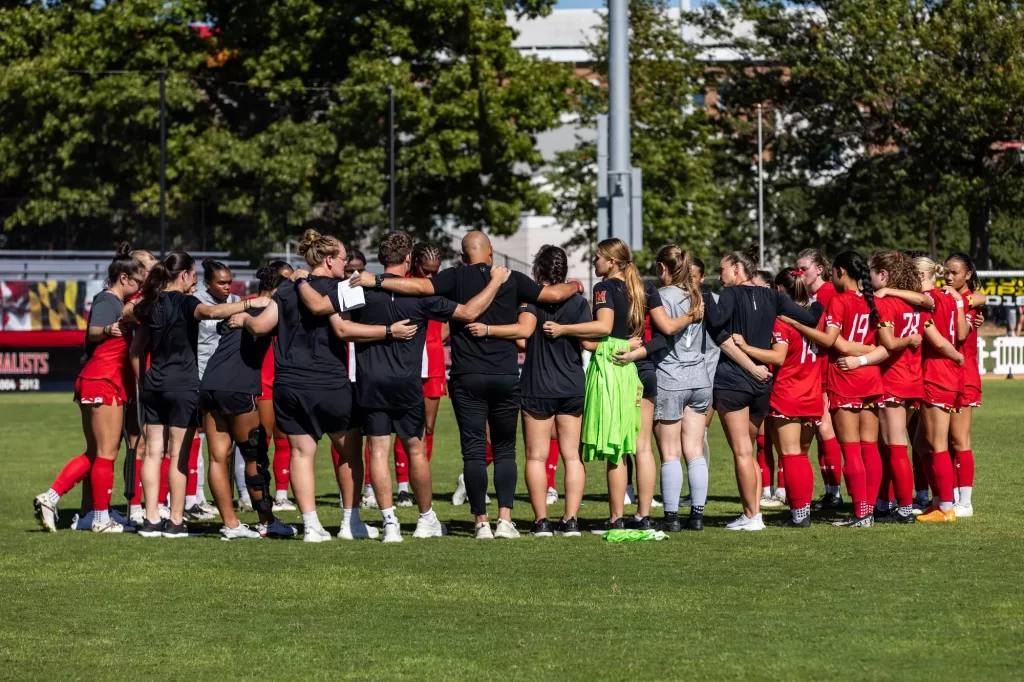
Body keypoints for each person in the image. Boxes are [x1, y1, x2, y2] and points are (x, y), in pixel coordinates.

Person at [350, 231, 579, 540]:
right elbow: (552, 295)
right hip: (505, 376)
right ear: (491, 252)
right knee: (505, 451)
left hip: (464, 376)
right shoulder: (512, 277)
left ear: (461, 256)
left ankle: (479, 523)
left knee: (472, 452)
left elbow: (419, 286)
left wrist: (375, 281)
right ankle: (505, 521)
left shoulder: (453, 276)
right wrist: (574, 285)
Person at [305, 233, 507, 541]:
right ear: (410, 259)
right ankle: (426, 519)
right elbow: (468, 313)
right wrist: (495, 282)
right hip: (408, 383)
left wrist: (299, 280)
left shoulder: (358, 288)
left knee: (376, 450)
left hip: (370, 382)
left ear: (380, 258)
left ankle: (390, 524)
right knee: (416, 450)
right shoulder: (420, 294)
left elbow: (328, 315)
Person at [241, 230, 414, 542]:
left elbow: (259, 326)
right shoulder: (342, 287)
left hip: (288, 384)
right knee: (349, 453)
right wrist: (389, 331)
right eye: (344, 259)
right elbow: (345, 329)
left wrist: (241, 317)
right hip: (329, 382)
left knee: (301, 454)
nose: (347, 265)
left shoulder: (286, 289)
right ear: (329, 260)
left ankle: (311, 526)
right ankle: (351, 523)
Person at [544, 238, 701, 533]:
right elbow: (666, 330)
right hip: (645, 370)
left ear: (612, 262)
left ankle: (616, 517)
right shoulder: (644, 287)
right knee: (643, 447)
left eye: (597, 258)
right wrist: (691, 315)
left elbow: (601, 330)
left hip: (620, 369)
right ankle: (642, 515)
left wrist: (565, 329)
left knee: (617, 448)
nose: (594, 262)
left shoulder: (603, 288)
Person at [129, 252, 267, 538]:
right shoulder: (186, 301)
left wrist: (144, 381)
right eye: (193, 275)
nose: (195, 281)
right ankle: (175, 522)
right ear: (183, 275)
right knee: (179, 455)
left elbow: (130, 319)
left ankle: (151, 519)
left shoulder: (151, 301)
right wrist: (252, 302)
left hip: (154, 384)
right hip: (183, 384)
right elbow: (213, 312)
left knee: (153, 453)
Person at [466, 245, 591, 537]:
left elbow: (522, 337)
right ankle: (571, 521)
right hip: (572, 383)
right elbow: (590, 343)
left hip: (538, 385)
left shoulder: (529, 300)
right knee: (572, 456)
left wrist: (490, 331)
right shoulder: (579, 302)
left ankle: (541, 522)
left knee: (536, 457)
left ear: (537, 271)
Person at [703, 249, 819, 531]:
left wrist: (703, 293)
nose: (721, 276)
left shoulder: (730, 294)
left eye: (722, 270)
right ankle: (754, 514)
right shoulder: (774, 296)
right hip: (763, 382)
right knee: (751, 450)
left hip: (732, 380)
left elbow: (717, 322)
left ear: (736, 268)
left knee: (742, 451)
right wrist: (819, 304)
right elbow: (811, 318)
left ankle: (752, 515)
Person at [34, 245, 146, 533]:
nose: (140, 287)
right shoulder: (109, 301)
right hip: (103, 381)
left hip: (102, 381)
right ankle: (95, 517)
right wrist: (108, 330)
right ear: (124, 278)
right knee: (105, 454)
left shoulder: (122, 301)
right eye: (138, 281)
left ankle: (60, 502)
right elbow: (95, 330)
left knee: (97, 454)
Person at [783, 251, 885, 528]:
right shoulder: (872, 300)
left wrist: (797, 324)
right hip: (872, 377)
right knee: (869, 448)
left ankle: (862, 513)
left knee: (851, 449)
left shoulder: (839, 301)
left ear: (839, 271)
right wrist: (869, 351)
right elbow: (884, 345)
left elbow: (832, 341)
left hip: (846, 377)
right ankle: (868, 512)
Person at [202, 267, 296, 540]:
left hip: (210, 383)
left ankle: (231, 525)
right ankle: (267, 522)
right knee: (254, 455)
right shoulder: (272, 309)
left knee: (218, 458)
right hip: (238, 387)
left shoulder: (241, 306)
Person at [732, 268, 825, 528]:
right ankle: (802, 511)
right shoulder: (814, 317)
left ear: (781, 292)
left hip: (789, 393)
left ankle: (799, 515)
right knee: (801, 455)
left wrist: (745, 347)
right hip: (812, 393)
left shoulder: (782, 321)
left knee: (790, 454)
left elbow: (779, 356)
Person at [646, 246, 710, 532]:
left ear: (663, 267)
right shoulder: (697, 295)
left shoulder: (661, 296)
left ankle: (671, 516)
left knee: (670, 452)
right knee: (694, 450)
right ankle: (697, 515)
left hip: (671, 376)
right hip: (699, 376)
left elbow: (665, 330)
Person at [864, 251, 924, 524]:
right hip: (912, 379)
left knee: (895, 445)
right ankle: (884, 503)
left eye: (871, 273)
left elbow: (888, 342)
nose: (868, 278)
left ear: (884, 275)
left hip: (894, 380)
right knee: (889, 445)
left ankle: (904, 509)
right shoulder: (911, 302)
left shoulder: (886, 303)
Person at [189, 258, 240, 522]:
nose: (227, 287)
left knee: (230, 441)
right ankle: (194, 498)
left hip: (228, 380)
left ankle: (238, 496)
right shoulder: (195, 301)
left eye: (229, 282)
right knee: (198, 436)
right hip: (200, 377)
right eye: (221, 283)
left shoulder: (237, 301)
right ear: (207, 283)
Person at [796, 248, 844, 510]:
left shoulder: (827, 294)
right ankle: (830, 491)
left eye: (803, 269)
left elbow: (828, 336)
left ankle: (835, 491)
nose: (799, 273)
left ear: (819, 269)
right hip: (813, 370)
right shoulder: (810, 295)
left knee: (825, 429)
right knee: (819, 430)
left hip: (826, 371)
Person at [254, 260, 297, 513]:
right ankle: (256, 493)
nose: (288, 284)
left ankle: (282, 494)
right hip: (261, 380)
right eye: (283, 279)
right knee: (260, 441)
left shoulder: (291, 304)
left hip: (284, 378)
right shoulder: (256, 304)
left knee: (285, 439)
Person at [945, 252, 982, 518]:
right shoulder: (951, 297)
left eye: (954, 272)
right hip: (947, 376)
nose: (948, 277)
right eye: (946, 272)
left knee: (960, 440)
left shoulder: (969, 302)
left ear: (967, 275)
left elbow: (980, 297)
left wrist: (963, 300)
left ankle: (966, 502)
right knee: (944, 441)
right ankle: (954, 497)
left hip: (964, 376)